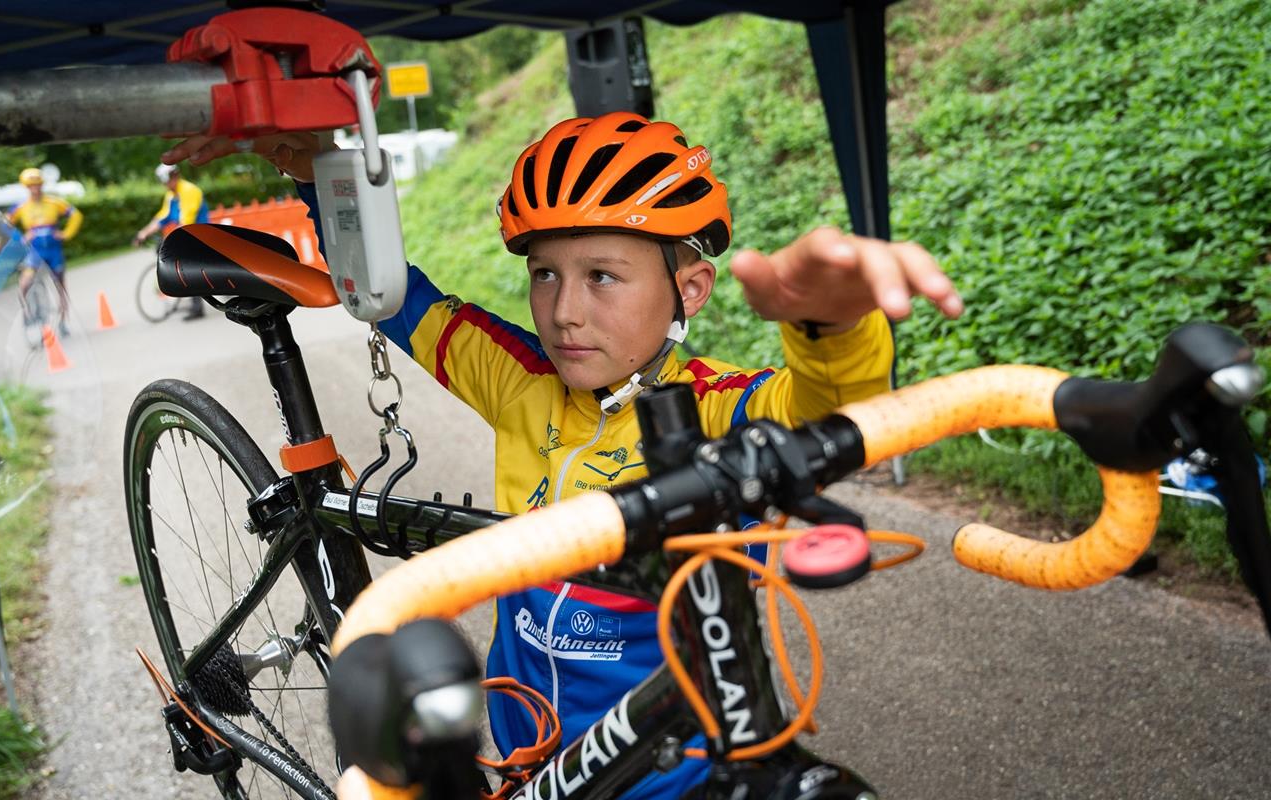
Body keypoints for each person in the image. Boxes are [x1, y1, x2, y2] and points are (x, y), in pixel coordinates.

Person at [164, 112, 962, 798]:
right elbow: (401, 297)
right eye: (545, 273)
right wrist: (316, 171)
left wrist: (830, 326)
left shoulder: (718, 407)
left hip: (674, 764)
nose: (565, 311)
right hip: (524, 750)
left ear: (690, 290)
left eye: (603, 276)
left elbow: (827, 407)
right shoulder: (521, 380)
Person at [7, 167, 83, 332]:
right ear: (26, 187)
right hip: (34, 252)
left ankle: (63, 321)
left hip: (54, 251)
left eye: (37, 185)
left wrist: (66, 233)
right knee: (25, 282)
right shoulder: (21, 206)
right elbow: (5, 224)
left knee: (60, 286)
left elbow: (76, 215)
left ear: (41, 185)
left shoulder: (54, 202)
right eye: (31, 186)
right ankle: (29, 313)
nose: (35, 189)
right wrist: (20, 238)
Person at [135, 163, 210, 320]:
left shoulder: (189, 191)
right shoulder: (171, 195)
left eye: (166, 181)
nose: (165, 185)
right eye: (163, 182)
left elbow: (186, 220)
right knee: (172, 257)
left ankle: (197, 306)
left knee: (187, 267)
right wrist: (144, 233)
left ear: (175, 177)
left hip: (199, 234)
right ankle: (187, 291)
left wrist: (170, 239)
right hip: (187, 235)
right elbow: (162, 217)